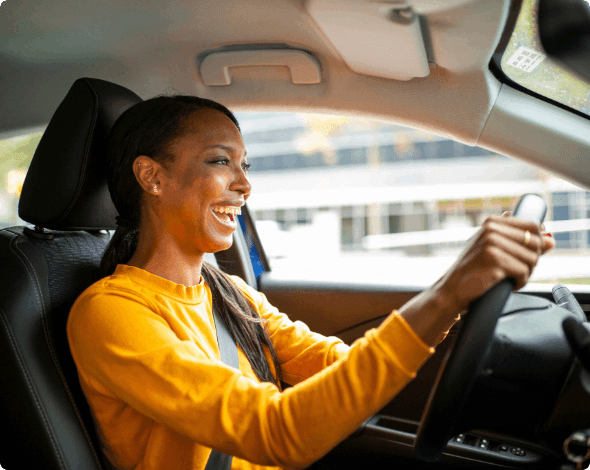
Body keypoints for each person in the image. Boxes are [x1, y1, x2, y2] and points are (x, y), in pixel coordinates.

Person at [67, 96, 555, 470]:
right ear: (152, 176)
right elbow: (277, 431)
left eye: (245, 165)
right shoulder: (111, 313)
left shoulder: (228, 293)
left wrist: (454, 302)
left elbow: (335, 366)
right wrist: (447, 290)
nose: (245, 184)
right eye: (220, 161)